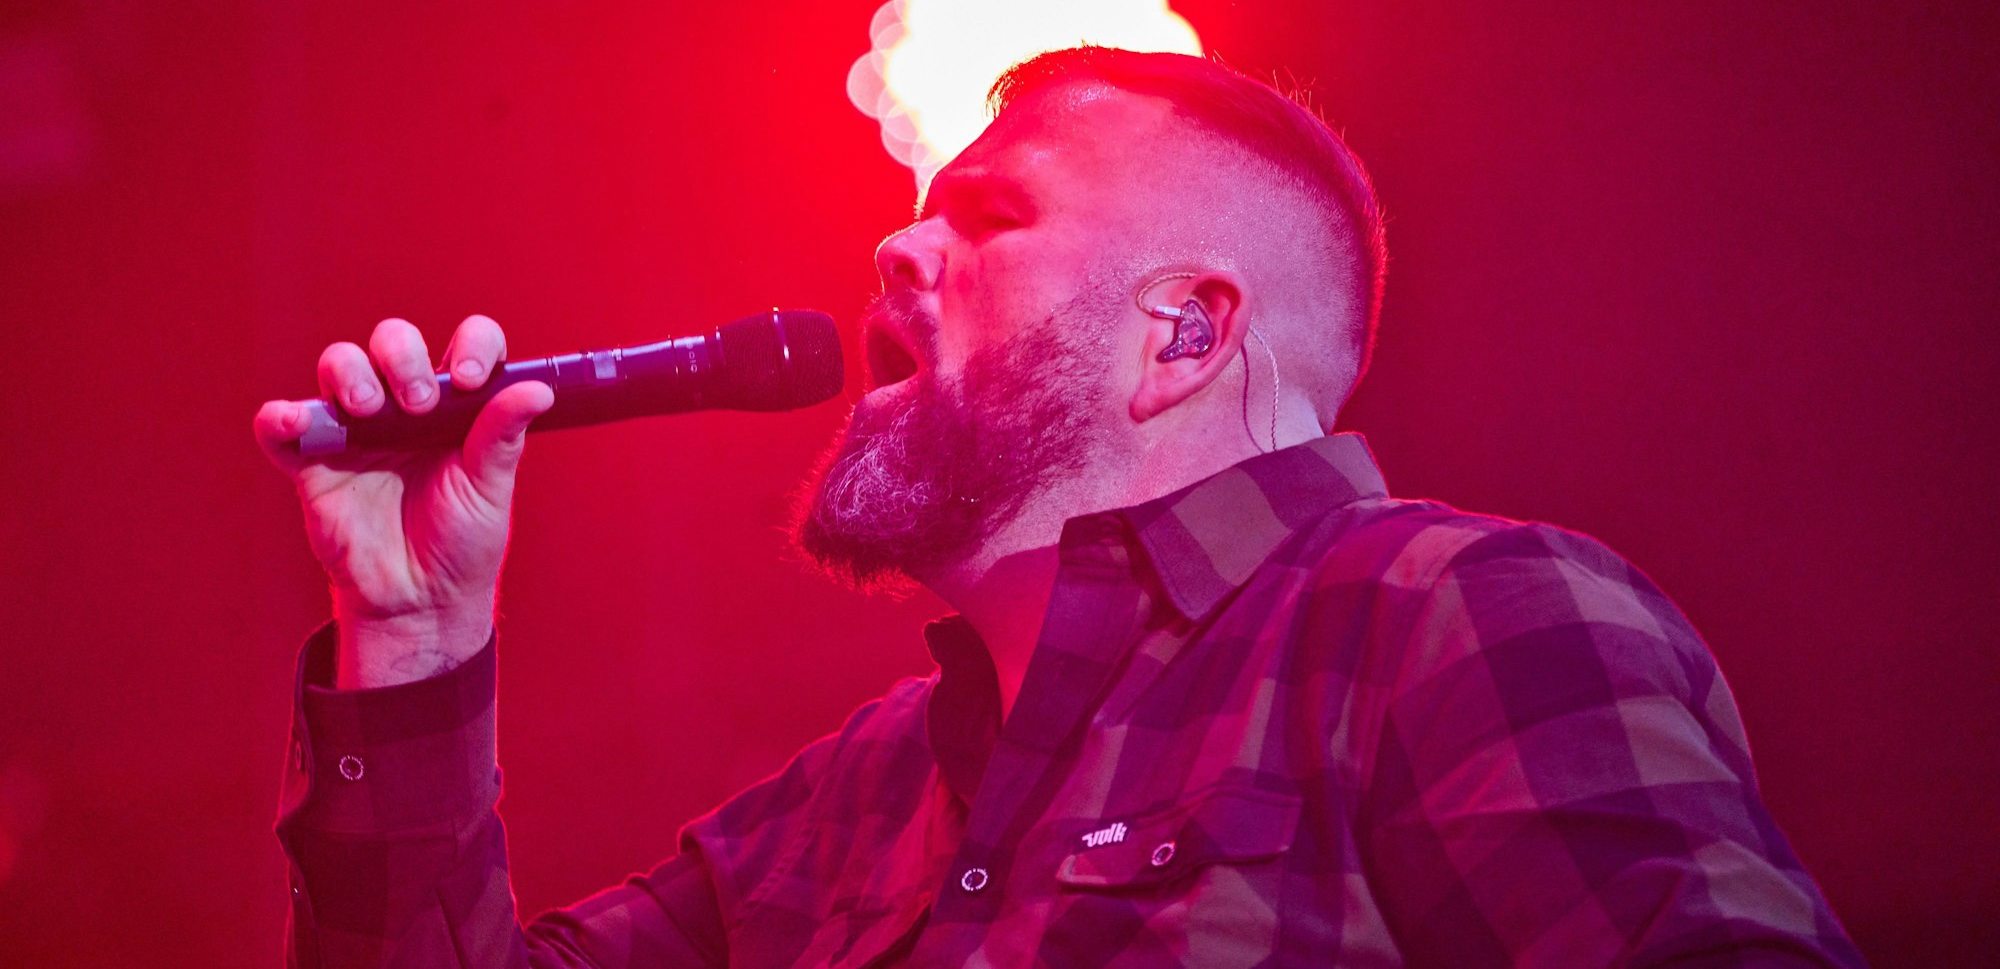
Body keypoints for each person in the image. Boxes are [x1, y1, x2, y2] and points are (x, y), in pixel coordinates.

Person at [254, 47, 1864, 967]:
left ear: (1186, 332)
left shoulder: (1453, 614)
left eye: (990, 216)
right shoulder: (854, 799)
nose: (896, 255)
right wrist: (412, 632)